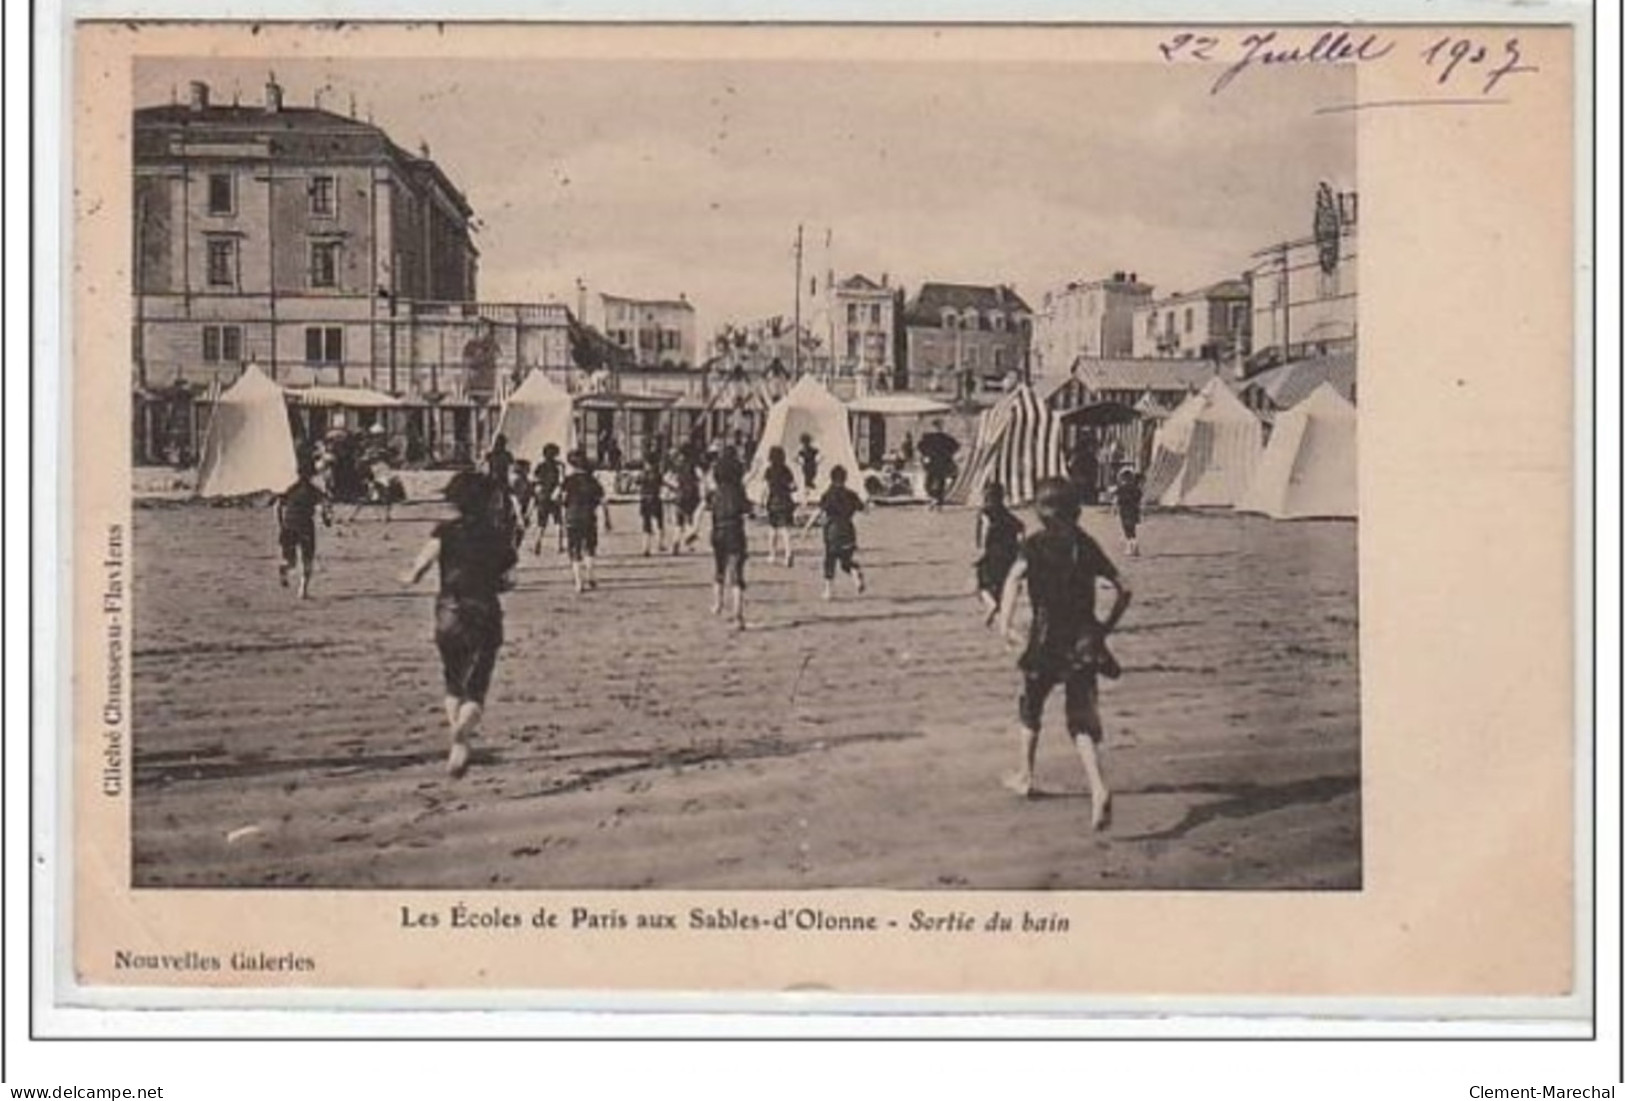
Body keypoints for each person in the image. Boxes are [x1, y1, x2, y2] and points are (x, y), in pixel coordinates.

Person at [995, 478, 1132, 829]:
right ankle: (1098, 787)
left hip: (1045, 640)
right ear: (1076, 510)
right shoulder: (1085, 544)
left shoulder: (1034, 544)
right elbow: (1124, 588)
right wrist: (1105, 627)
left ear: (1040, 512)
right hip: (1083, 640)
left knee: (1031, 707)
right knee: (1080, 720)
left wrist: (1005, 623)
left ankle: (1026, 775)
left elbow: (1013, 580)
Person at [400, 471, 518, 779]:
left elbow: (418, 569)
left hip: (448, 611)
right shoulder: (498, 534)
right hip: (484, 611)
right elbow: (507, 580)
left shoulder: (444, 532)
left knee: (453, 679)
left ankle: (456, 732)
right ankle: (462, 736)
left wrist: (407, 576)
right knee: (477, 684)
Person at [692, 447, 750, 628]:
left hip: (718, 532)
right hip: (735, 531)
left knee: (719, 569)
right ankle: (738, 615)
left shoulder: (714, 493)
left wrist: (694, 530)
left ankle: (717, 603)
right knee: (736, 574)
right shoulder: (738, 492)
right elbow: (748, 510)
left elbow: (700, 509)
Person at [274, 458, 333, 600]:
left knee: (291, 561)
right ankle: (303, 591)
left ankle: (284, 567)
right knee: (307, 559)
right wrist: (327, 520)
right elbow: (324, 508)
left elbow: (278, 506)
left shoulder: (290, 488)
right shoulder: (314, 491)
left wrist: (281, 523)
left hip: (289, 525)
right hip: (305, 526)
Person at [805, 465, 866, 601]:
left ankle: (828, 591)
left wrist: (807, 527)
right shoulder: (851, 494)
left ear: (831, 478)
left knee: (830, 560)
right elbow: (863, 508)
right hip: (848, 530)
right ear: (845, 478)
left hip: (833, 531)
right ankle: (854, 572)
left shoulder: (828, 495)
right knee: (845, 561)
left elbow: (818, 512)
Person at [974, 480, 1024, 626]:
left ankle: (991, 604)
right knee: (1002, 585)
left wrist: (981, 550)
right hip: (1009, 554)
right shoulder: (1008, 515)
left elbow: (985, 530)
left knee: (982, 585)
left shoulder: (985, 513)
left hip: (992, 553)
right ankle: (1002, 614)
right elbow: (1021, 529)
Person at [560, 450, 611, 593]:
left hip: (572, 517)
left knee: (574, 550)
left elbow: (557, 497)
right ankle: (591, 576)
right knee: (589, 547)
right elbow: (603, 501)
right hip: (589, 517)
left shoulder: (568, 480)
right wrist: (607, 519)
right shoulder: (593, 481)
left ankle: (578, 582)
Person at [762, 445, 798, 567]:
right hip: (786, 501)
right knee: (785, 529)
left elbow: (766, 488)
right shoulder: (786, 470)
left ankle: (772, 554)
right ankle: (788, 552)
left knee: (772, 529)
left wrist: (762, 501)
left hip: (773, 501)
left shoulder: (769, 470)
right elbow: (793, 486)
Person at [530, 443, 565, 555]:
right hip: (554, 495)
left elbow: (535, 480)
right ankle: (559, 545)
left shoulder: (540, 466)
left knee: (541, 523)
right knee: (558, 522)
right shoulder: (560, 466)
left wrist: (538, 493)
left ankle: (537, 543)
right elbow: (562, 481)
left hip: (543, 495)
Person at [918, 419, 960, 510]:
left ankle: (937, 500)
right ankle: (935, 498)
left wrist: (948, 455)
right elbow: (920, 447)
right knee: (931, 481)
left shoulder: (944, 438)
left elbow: (955, 446)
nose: (937, 428)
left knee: (937, 481)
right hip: (935, 462)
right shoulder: (929, 437)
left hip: (938, 462)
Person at [637, 452, 668, 556]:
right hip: (655, 499)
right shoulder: (657, 474)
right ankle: (660, 543)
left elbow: (637, 483)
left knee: (646, 524)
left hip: (644, 499)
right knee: (659, 522)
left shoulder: (643, 474)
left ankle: (646, 547)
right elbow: (662, 483)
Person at [1113, 466, 1144, 557]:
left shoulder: (1121, 488)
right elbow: (1138, 498)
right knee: (1132, 529)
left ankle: (1131, 547)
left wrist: (1115, 508)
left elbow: (1116, 499)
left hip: (1125, 511)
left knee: (1127, 529)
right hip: (1133, 510)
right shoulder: (1135, 489)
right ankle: (1134, 546)